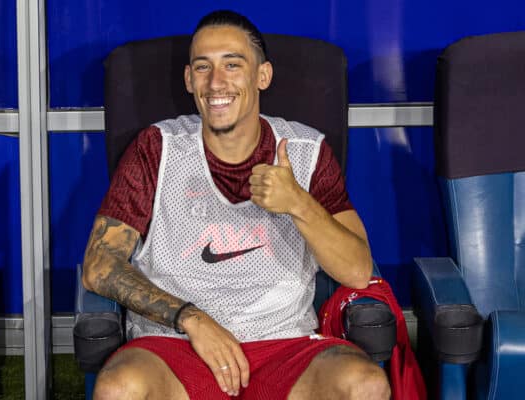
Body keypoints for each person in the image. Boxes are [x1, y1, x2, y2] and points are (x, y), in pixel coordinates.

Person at [82, 10, 391, 400]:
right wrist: (190, 318)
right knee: (118, 388)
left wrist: (298, 202)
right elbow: (99, 266)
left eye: (232, 64)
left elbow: (358, 270)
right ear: (188, 79)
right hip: (175, 344)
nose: (216, 82)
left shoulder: (306, 150)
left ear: (262, 75)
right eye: (202, 67)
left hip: (283, 342)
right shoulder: (156, 148)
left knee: (365, 385)